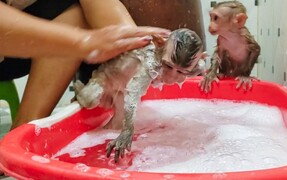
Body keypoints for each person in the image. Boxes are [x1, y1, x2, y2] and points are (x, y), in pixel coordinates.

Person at [0, 0, 170, 129]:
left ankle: (26, 126)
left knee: (74, 12)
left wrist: (136, 50)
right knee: (75, 16)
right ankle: (24, 127)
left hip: (32, 47)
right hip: (10, 44)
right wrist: (86, 43)